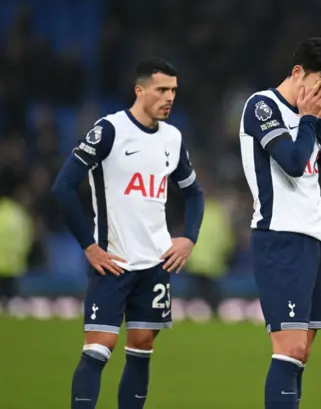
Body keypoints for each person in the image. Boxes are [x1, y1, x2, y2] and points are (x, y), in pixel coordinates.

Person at [51, 58, 205, 409]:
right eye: (161, 90)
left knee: (141, 351)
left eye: (174, 91)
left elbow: (194, 192)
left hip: (156, 265)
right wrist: (90, 247)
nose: (170, 98)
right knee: (97, 350)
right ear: (140, 90)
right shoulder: (109, 130)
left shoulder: (173, 137)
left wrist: (189, 236)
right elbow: (62, 187)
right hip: (114, 263)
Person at [239, 37, 321, 409]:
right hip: (280, 236)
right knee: (289, 349)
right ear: (298, 73)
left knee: (302, 355)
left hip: (317, 236)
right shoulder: (261, 106)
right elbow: (292, 161)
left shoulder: (312, 118)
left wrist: (320, 123)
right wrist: (307, 120)